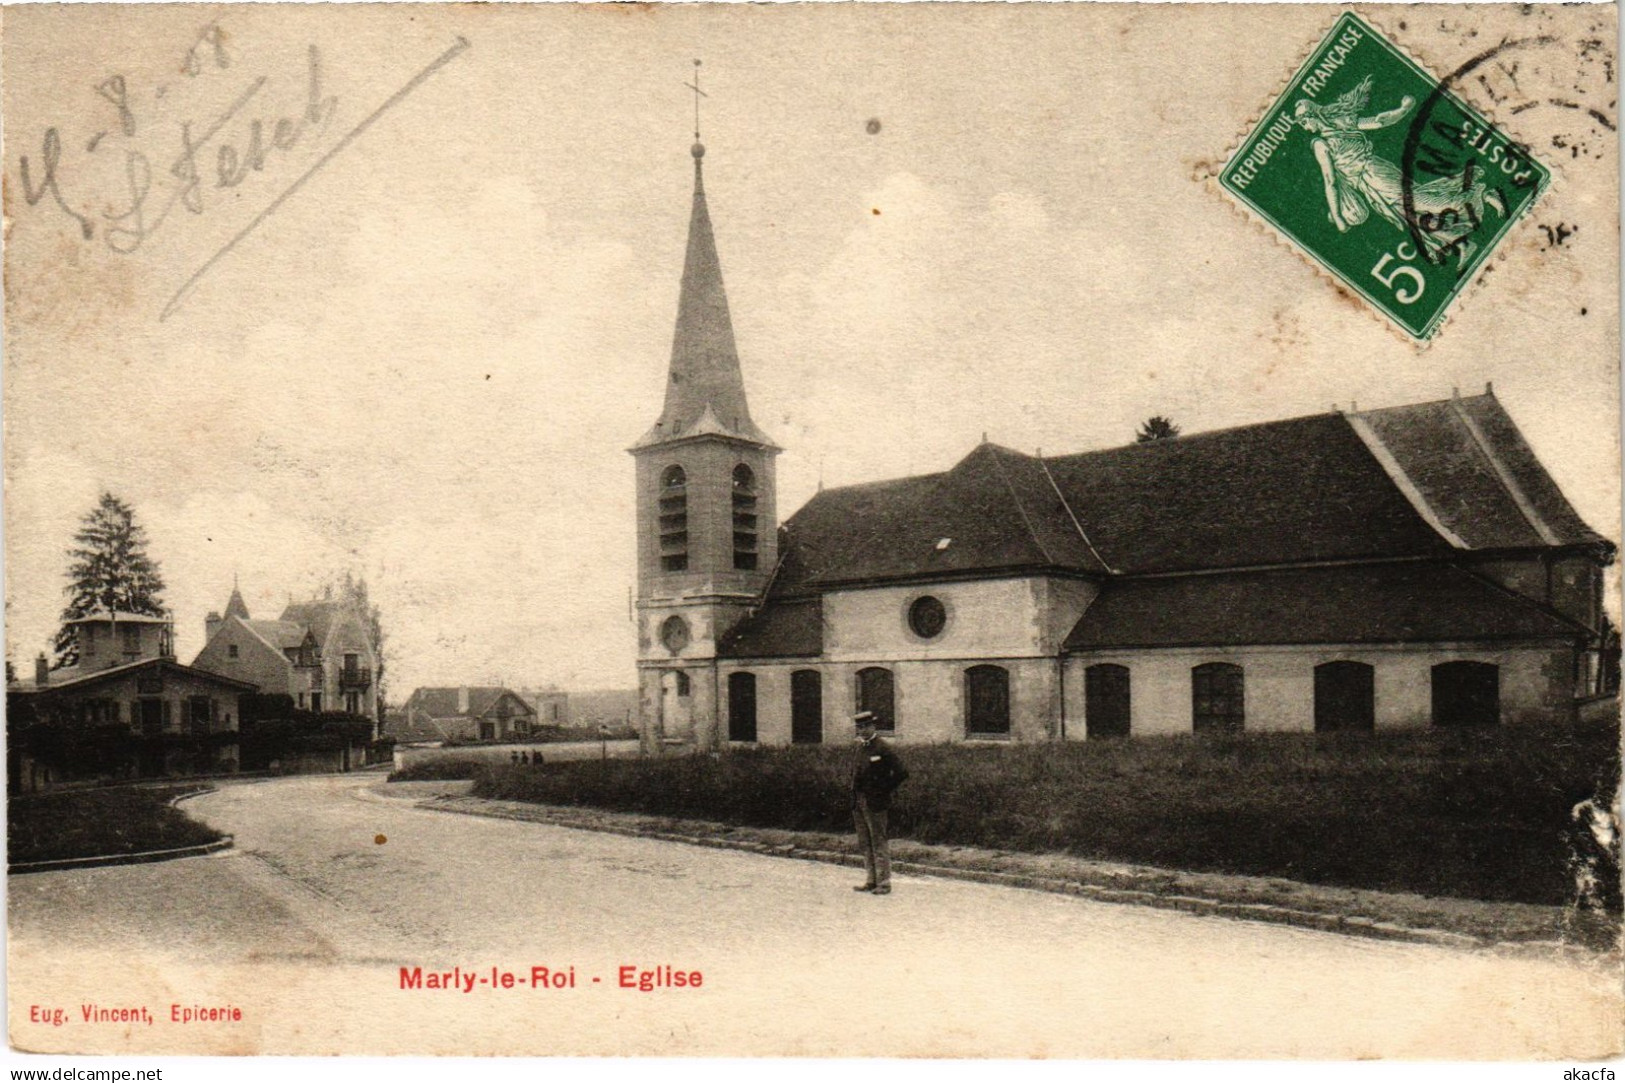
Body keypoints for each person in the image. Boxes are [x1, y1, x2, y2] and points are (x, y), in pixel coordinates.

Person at [850, 710, 908, 895]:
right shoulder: (860, 747)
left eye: (866, 726)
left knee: (878, 841)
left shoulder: (882, 747)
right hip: (859, 801)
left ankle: (884, 883)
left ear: (873, 726)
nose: (862, 730)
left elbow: (901, 772)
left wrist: (883, 790)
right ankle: (871, 880)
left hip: (876, 802)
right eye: (859, 727)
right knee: (865, 841)